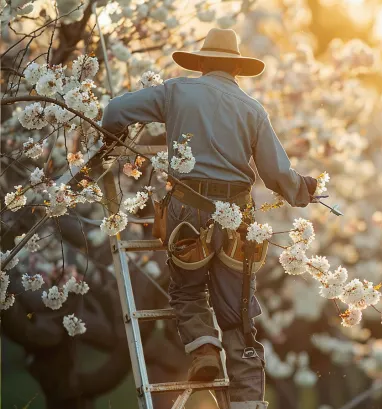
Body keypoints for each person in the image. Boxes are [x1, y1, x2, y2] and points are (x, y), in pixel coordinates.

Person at [101, 28, 318, 409]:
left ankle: (203, 351)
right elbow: (276, 174)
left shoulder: (176, 92)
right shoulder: (252, 109)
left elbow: (115, 111)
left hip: (188, 207)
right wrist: (305, 189)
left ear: (201, 64)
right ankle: (248, 401)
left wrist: (115, 139)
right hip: (238, 215)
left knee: (187, 289)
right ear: (237, 69)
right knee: (238, 312)